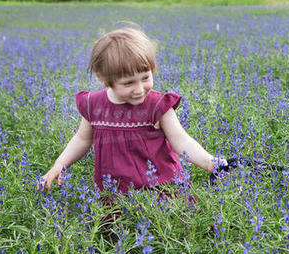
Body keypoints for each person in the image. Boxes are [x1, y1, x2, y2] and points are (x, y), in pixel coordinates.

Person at [38, 26, 227, 195]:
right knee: (118, 231)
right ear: (104, 79)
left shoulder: (158, 105)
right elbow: (82, 139)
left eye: (145, 77)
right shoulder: (93, 105)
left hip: (160, 189)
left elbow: (181, 140)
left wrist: (210, 162)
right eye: (128, 83)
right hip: (115, 192)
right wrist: (60, 164)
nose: (139, 89)